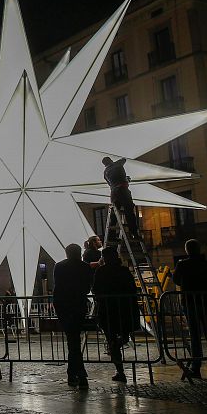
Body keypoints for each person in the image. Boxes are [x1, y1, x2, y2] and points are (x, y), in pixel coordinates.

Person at [173, 239, 207, 378]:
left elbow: (175, 280)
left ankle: (196, 368)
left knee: (195, 335)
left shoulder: (182, 264)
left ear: (187, 250)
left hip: (190, 303)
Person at [91, 246, 138, 383]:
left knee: (111, 337)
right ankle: (117, 347)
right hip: (124, 309)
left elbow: (96, 289)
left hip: (108, 310)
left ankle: (119, 369)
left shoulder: (102, 271)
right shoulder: (123, 271)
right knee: (123, 335)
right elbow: (132, 288)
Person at [53, 243, 94, 388]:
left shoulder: (59, 266)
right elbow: (87, 286)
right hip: (78, 306)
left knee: (73, 341)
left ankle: (75, 374)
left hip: (64, 307)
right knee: (74, 341)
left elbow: (57, 287)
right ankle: (78, 374)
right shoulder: (85, 267)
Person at [102, 157, 139, 239]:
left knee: (115, 214)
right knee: (129, 210)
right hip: (122, 191)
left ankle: (111, 235)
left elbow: (111, 183)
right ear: (110, 160)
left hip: (114, 193)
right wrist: (125, 180)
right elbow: (124, 159)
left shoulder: (105, 172)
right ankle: (134, 233)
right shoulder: (117, 164)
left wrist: (124, 179)